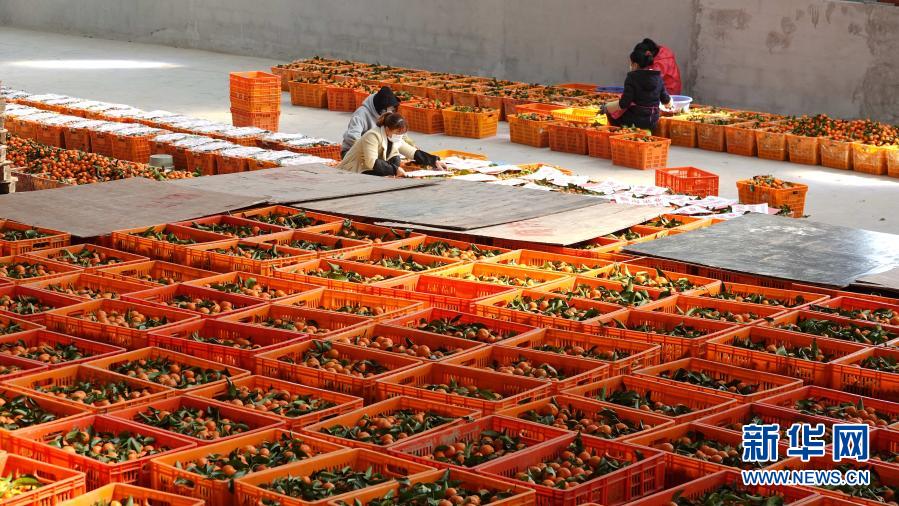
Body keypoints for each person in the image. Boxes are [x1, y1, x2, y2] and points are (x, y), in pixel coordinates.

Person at [337, 112, 445, 176]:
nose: (399, 136)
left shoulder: (394, 137)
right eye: (398, 132)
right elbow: (371, 162)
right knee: (394, 163)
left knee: (396, 158)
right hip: (354, 170)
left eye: (402, 133)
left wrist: (433, 161)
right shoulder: (373, 136)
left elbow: (412, 152)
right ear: (388, 129)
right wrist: (394, 170)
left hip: (369, 169)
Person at [601, 48, 672, 131]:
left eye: (630, 63)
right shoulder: (658, 77)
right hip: (652, 122)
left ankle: (624, 132)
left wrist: (607, 107)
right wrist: (670, 104)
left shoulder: (632, 78)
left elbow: (624, 103)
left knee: (610, 114)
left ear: (635, 65)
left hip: (634, 122)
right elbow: (666, 100)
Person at [341, 86, 401, 157]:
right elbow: (352, 137)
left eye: (393, 109)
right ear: (381, 109)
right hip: (353, 151)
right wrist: (370, 151)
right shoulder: (361, 114)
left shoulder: (389, 114)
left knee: (394, 157)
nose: (390, 112)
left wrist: (412, 152)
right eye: (388, 110)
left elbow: (397, 136)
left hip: (374, 150)